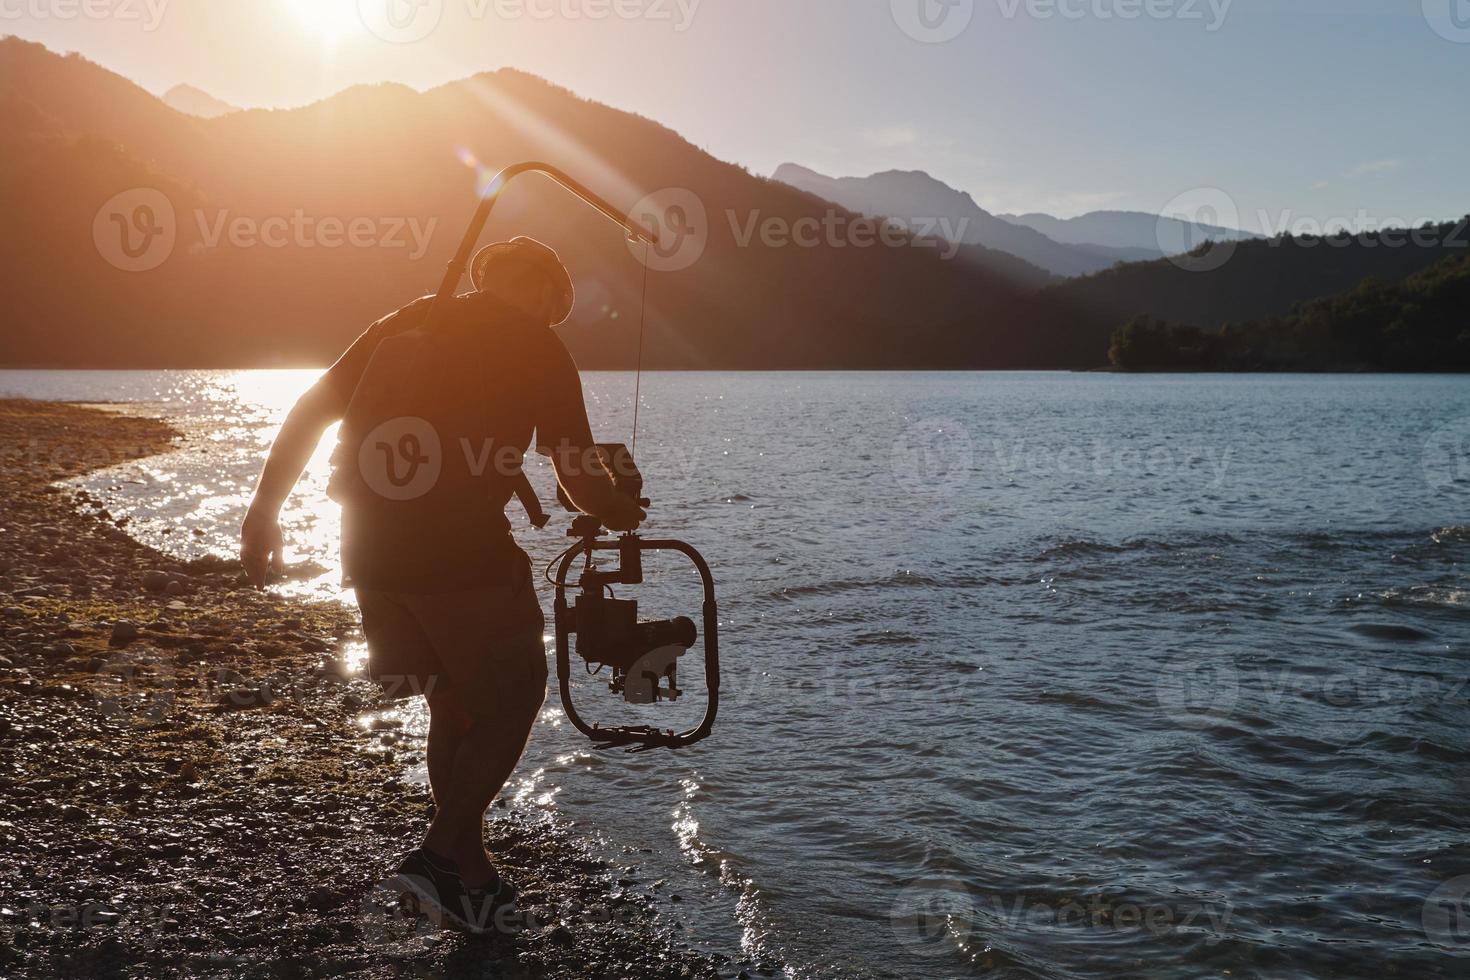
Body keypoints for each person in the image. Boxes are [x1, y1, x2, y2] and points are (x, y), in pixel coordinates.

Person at [239, 237, 644, 933]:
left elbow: (312, 407)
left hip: (366, 549)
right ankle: (434, 856)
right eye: (556, 301)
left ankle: (468, 872)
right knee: (516, 690)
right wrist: (616, 506)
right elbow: (575, 473)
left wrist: (263, 512)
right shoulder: (539, 344)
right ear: (551, 295)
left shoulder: (408, 320)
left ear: (488, 275)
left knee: (453, 703)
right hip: (459, 553)